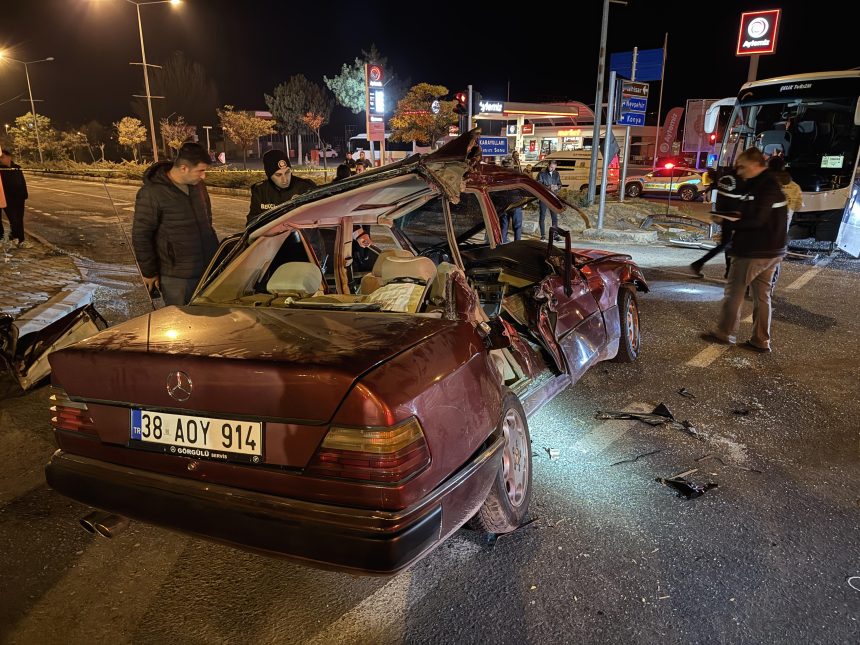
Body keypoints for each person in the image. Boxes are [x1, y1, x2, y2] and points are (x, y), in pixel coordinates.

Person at [701, 147, 788, 353]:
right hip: (772, 251)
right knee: (762, 296)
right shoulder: (767, 183)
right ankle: (761, 340)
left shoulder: (764, 187)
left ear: (755, 164)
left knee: (734, 292)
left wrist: (729, 222)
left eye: (742, 167)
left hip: (755, 250)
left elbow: (757, 220)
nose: (739, 171)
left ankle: (724, 333)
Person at [132, 142, 219, 306]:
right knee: (182, 318)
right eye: (200, 171)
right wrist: (149, 272)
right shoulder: (152, 193)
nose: (203, 176)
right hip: (177, 277)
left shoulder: (198, 186)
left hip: (208, 269)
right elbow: (141, 235)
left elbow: (207, 220)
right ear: (184, 168)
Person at [246, 149, 315, 225]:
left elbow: (317, 218)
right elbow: (252, 223)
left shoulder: (306, 187)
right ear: (269, 175)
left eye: (287, 172)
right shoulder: (260, 191)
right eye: (278, 175)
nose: (285, 179)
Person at [0, 151, 31, 249]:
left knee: (19, 220)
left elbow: (22, 181)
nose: (1, 159)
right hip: (8, 199)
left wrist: (25, 193)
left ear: (9, 157)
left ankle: (20, 240)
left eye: (3, 157)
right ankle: (14, 239)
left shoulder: (17, 167)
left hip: (19, 198)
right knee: (14, 220)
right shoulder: (1, 169)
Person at [537, 160, 562, 240]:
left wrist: (557, 187)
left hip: (553, 198)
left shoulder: (556, 174)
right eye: (551, 167)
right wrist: (549, 187)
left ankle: (555, 235)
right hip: (544, 197)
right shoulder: (542, 173)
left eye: (554, 168)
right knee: (542, 216)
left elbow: (560, 184)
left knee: (554, 217)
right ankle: (543, 235)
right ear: (548, 165)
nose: (552, 169)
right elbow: (538, 184)